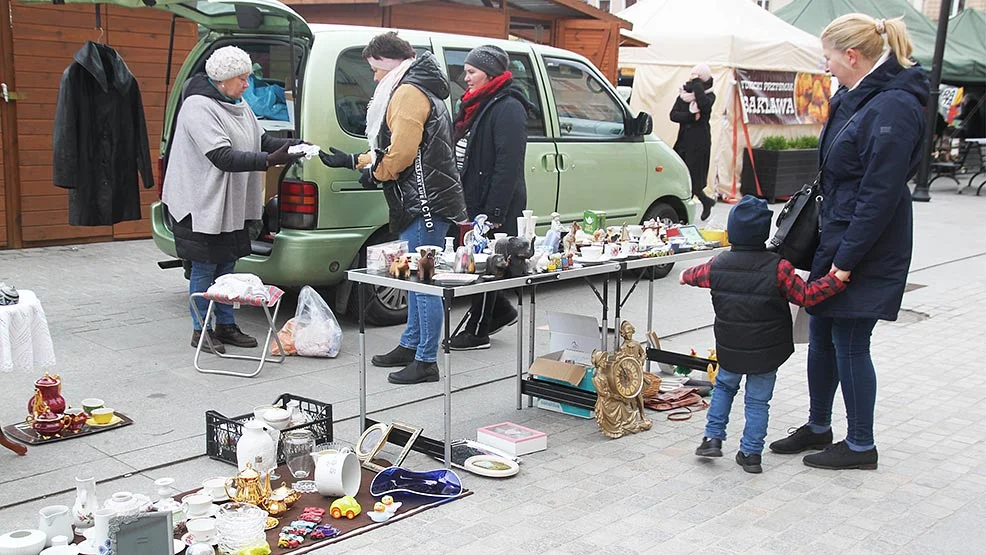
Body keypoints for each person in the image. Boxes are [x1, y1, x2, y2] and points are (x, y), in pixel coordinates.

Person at [768, 14, 928, 471]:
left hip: (865, 246)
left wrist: (845, 261)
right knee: (820, 332)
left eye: (830, 58)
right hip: (837, 235)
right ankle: (820, 426)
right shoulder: (857, 96)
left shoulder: (892, 107)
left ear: (853, 56)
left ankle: (861, 445)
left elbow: (879, 195)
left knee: (851, 340)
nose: (827, 66)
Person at [319, 32, 467, 384]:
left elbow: (399, 153)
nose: (373, 78)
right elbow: (395, 148)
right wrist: (354, 161)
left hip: (423, 202)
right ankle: (411, 343)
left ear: (388, 62)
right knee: (413, 277)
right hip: (420, 198)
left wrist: (378, 172)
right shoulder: (416, 86)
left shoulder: (407, 92)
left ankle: (426, 360)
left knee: (424, 281)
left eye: (373, 69)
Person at [681, 196, 849, 474]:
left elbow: (692, 275)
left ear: (732, 232)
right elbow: (805, 296)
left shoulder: (718, 263)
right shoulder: (778, 267)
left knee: (723, 388)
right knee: (758, 401)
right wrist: (835, 280)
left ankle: (712, 438)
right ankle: (750, 454)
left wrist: (683, 276)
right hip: (767, 351)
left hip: (731, 347)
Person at [162, 46, 304, 354]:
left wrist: (291, 145)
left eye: (248, 77)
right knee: (204, 267)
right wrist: (269, 160)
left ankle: (225, 325)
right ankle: (201, 330)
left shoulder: (237, 103)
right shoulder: (198, 107)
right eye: (242, 78)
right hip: (198, 204)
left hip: (228, 205)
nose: (247, 85)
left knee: (227, 265)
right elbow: (222, 156)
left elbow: (259, 139)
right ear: (222, 79)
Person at [446, 44, 529, 351]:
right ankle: (502, 311)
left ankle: (478, 331)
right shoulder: (477, 103)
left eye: (471, 72)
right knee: (479, 262)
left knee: (487, 265)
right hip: (473, 197)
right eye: (465, 71)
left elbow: (507, 165)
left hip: (494, 202)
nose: (465, 77)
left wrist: (493, 213)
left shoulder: (508, 107)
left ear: (490, 73)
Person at [670, 64, 717, 221]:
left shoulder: (710, 95)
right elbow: (674, 115)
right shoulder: (684, 94)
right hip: (683, 139)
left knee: (693, 175)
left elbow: (703, 105)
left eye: (697, 79)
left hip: (700, 141)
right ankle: (705, 201)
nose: (693, 81)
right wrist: (690, 117)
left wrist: (697, 86)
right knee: (680, 173)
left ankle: (686, 211)